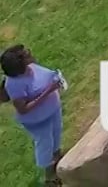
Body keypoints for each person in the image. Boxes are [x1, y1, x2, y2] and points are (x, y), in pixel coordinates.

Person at [2, 45, 64, 185]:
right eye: (26, 54)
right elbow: (23, 109)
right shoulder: (15, 84)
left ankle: (58, 159)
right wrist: (48, 91)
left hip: (52, 109)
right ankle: (50, 177)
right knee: (45, 144)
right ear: (20, 65)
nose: (29, 53)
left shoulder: (31, 66)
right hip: (38, 119)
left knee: (56, 134)